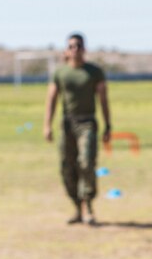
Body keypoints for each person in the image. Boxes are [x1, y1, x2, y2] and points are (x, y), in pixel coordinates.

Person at [43, 33, 112, 225]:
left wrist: (108, 126)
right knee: (67, 166)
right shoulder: (60, 73)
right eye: (71, 46)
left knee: (86, 162)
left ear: (84, 49)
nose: (75, 49)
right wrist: (47, 125)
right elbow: (52, 99)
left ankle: (88, 205)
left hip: (88, 122)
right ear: (67, 50)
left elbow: (103, 99)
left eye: (79, 46)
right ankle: (76, 206)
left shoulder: (94, 72)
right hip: (67, 124)